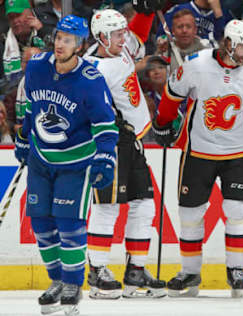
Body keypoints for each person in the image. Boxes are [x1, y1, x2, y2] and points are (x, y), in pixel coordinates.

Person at [13, 15, 118, 315]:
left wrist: (105, 157)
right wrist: (23, 136)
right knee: (41, 223)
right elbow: (33, 108)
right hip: (41, 159)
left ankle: (73, 283)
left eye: (68, 40)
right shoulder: (36, 67)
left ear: (80, 45)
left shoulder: (91, 80)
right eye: (59, 37)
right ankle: (57, 280)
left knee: (69, 223)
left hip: (76, 161)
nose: (60, 44)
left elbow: (105, 124)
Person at [152, 19, 243, 298]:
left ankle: (236, 270)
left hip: (238, 152)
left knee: (238, 212)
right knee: (190, 214)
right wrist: (163, 123)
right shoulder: (196, 64)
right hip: (199, 151)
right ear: (227, 43)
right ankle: (190, 271)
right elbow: (171, 94)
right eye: (241, 46)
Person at [83, 6, 167, 299]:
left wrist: (144, 11)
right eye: (117, 34)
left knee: (144, 203)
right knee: (107, 206)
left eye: (122, 32)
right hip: (110, 142)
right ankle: (97, 271)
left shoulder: (120, 49)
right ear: (102, 37)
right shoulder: (91, 69)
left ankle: (136, 271)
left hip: (134, 140)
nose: (123, 37)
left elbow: (139, 35)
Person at [156, 0, 233, 46]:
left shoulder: (225, 15)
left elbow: (224, 45)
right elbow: (160, 37)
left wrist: (218, 13)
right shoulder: (178, 9)